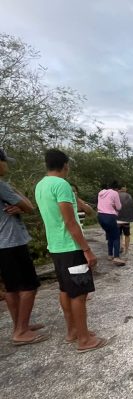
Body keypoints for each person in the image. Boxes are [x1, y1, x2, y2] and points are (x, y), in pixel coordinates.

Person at [35, 148, 106, 352]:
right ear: (65, 165)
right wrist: (87, 250)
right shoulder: (62, 185)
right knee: (80, 294)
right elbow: (70, 221)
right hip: (70, 247)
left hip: (55, 247)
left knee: (65, 289)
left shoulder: (41, 185)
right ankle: (84, 339)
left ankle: (72, 331)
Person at [0, 148, 47, 345]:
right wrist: (20, 201)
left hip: (2, 244)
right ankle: (20, 332)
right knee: (29, 286)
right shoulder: (2, 185)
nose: (7, 165)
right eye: (5, 161)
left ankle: (20, 325)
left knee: (12, 287)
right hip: (11, 242)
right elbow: (30, 206)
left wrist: (18, 207)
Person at [97, 180, 125, 266]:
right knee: (116, 236)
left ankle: (110, 255)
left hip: (100, 216)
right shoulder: (114, 193)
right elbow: (119, 207)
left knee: (109, 235)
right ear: (116, 188)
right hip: (110, 216)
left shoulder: (101, 192)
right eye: (119, 190)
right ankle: (116, 257)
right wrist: (114, 206)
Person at [117, 186, 133, 255]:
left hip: (117, 220)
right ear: (125, 189)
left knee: (118, 235)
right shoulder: (129, 196)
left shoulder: (116, 195)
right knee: (127, 235)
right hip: (126, 220)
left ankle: (119, 248)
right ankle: (126, 250)